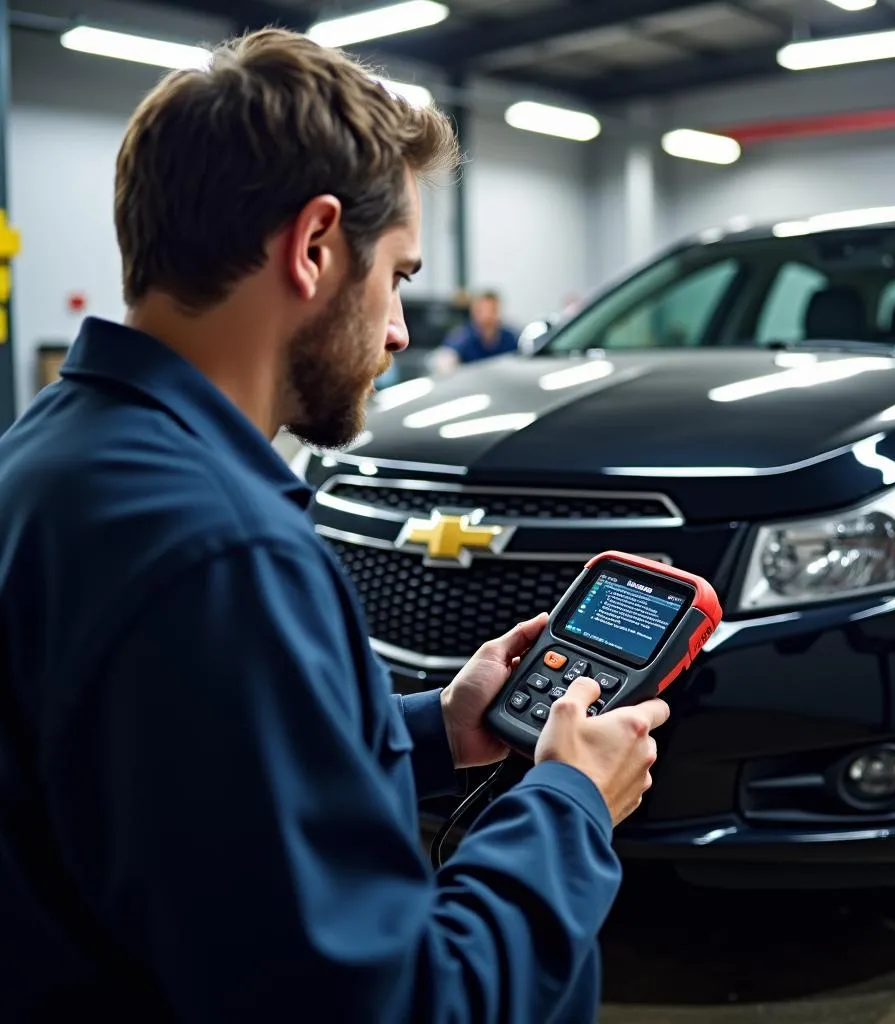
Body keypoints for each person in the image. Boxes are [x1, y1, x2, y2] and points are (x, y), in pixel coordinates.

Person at [0, 28, 669, 1023]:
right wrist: (567, 808)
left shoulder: (50, 457)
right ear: (314, 247)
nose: (400, 333)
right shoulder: (221, 552)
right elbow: (399, 1003)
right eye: (397, 276)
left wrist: (437, 727)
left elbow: (191, 800)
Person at [430, 288, 520, 373]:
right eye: (482, 311)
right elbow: (444, 360)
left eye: (492, 310)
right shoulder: (461, 336)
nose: (487, 316)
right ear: (473, 311)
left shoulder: (510, 337)